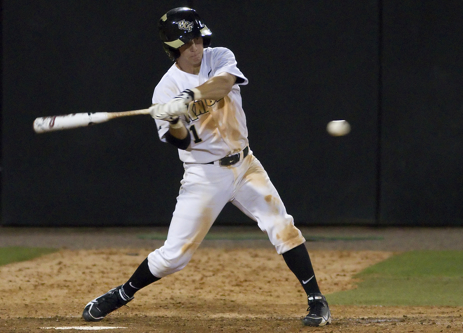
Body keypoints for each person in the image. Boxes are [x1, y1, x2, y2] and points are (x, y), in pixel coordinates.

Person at [82, 7, 331, 327]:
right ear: (173, 48)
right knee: (174, 257)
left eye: (198, 39)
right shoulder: (164, 90)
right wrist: (173, 118)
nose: (196, 47)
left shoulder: (219, 57)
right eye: (187, 43)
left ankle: (316, 300)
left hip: (245, 165)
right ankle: (122, 293)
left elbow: (225, 84)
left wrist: (191, 97)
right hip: (204, 174)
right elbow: (182, 141)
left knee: (282, 226)